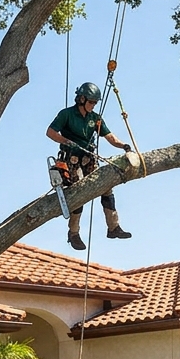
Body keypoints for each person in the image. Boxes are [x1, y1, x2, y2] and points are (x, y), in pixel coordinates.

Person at [47, 81, 135, 251]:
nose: (93, 105)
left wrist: (123, 145)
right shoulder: (66, 114)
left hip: (89, 158)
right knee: (81, 190)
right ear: (81, 99)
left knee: (106, 188)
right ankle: (74, 233)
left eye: (95, 103)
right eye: (91, 102)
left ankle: (113, 227)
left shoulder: (95, 118)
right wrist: (66, 141)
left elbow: (109, 136)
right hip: (71, 158)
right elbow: (50, 132)